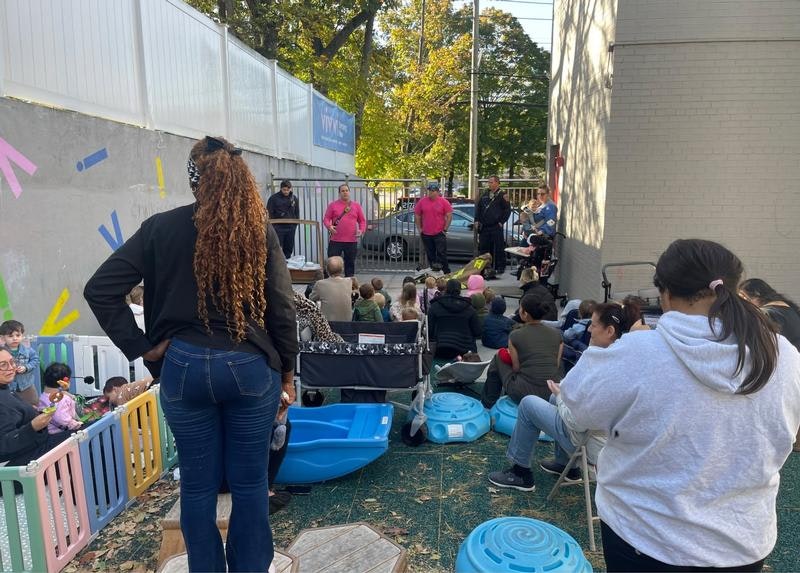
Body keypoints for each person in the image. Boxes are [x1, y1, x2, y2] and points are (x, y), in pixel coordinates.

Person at [84, 135, 298, 573]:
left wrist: (143, 348)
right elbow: (282, 305)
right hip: (249, 367)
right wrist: (288, 372)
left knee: (197, 489)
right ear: (239, 180)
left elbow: (100, 290)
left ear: (193, 181)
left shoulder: (160, 228)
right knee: (250, 484)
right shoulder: (257, 231)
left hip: (181, 368)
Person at [561, 239, 800, 572]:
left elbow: (578, 406)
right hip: (743, 542)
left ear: (665, 294)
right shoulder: (784, 354)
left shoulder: (639, 351)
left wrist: (599, 349)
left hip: (646, 536)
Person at [487, 301, 638, 491]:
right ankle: (566, 465)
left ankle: (520, 472)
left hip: (588, 442)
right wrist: (559, 394)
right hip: (608, 439)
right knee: (551, 398)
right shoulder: (628, 360)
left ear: (609, 331)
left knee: (528, 404)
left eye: (593, 325)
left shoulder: (595, 360)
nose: (589, 329)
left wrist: (560, 395)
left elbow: (576, 421)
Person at [481, 290, 563, 408]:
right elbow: (556, 364)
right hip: (552, 391)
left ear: (524, 313)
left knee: (498, 357)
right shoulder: (557, 335)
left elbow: (516, 368)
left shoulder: (515, 335)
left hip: (524, 393)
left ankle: (488, 404)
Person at [0, 346, 70, 467]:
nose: (11, 368)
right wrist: (33, 426)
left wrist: (33, 412)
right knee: (84, 438)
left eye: (12, 362)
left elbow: (14, 412)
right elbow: (3, 445)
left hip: (36, 446)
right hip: (23, 461)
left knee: (88, 430)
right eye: (3, 365)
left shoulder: (5, 388)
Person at [739, 278, 800, 350]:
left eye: (743, 298)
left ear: (757, 295)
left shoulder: (768, 314)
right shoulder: (786, 308)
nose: (742, 304)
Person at [427, 279, 481, 359]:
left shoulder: (435, 307)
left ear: (446, 289)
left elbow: (429, 331)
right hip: (465, 352)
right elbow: (477, 332)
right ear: (460, 290)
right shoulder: (470, 309)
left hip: (440, 350)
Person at [323, 183, 366, 277]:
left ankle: (349, 284)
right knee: (332, 263)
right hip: (335, 240)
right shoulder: (333, 205)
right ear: (339, 193)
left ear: (349, 192)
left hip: (351, 241)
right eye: (342, 191)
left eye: (346, 190)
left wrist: (361, 230)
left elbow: (362, 221)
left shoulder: (356, 206)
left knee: (350, 264)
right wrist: (329, 226)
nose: (345, 192)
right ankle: (329, 282)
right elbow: (326, 219)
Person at [475, 175, 511, 275]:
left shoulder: (502, 195)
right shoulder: (485, 194)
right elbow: (479, 208)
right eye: (488, 182)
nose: (489, 184)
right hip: (485, 226)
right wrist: (477, 220)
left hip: (496, 226)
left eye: (491, 182)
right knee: (484, 248)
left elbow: (507, 210)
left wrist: (501, 222)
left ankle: (500, 267)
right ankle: (483, 267)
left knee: (498, 248)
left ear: (497, 183)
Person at [414, 181, 452, 273]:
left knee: (441, 254)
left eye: (433, 190)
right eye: (429, 190)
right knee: (430, 255)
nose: (430, 192)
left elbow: (449, 215)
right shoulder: (422, 201)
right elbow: (417, 215)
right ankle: (434, 272)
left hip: (439, 233)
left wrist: (445, 229)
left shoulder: (444, 202)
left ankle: (446, 272)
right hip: (426, 233)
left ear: (437, 192)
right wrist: (420, 229)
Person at [0, 320, 39, 406]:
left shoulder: (28, 350)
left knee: (33, 403)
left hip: (26, 385)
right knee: (13, 406)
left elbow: (35, 360)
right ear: (3, 338)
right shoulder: (2, 352)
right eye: (10, 336)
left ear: (22, 336)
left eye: (18, 335)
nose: (15, 338)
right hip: (9, 386)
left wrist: (26, 367)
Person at [38, 363, 82, 434]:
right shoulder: (63, 399)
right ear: (65, 382)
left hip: (48, 432)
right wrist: (74, 424)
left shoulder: (42, 396)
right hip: (61, 434)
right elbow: (61, 418)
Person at [309, 256, 353, 323]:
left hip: (328, 324)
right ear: (342, 269)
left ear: (327, 270)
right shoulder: (349, 282)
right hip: (347, 322)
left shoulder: (320, 284)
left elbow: (311, 298)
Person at [266, 179, 300, 259]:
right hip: (278, 228)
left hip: (290, 228)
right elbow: (269, 212)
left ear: (290, 189)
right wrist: (274, 226)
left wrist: (294, 225)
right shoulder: (273, 198)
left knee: (288, 248)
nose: (286, 192)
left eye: (288, 190)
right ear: (281, 189)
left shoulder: (294, 199)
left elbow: (297, 212)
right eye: (284, 190)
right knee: (277, 249)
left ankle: (288, 266)